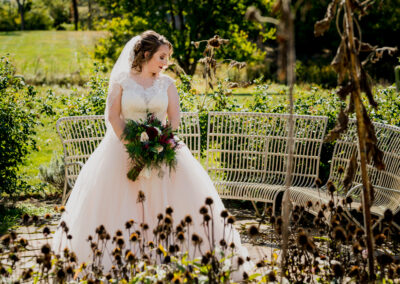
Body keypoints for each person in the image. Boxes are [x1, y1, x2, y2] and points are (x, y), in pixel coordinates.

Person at [52, 30, 252, 280]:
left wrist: (157, 143)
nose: (165, 62)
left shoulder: (167, 83)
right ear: (146, 54)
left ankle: (173, 258)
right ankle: (119, 260)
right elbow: (114, 116)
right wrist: (134, 146)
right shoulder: (122, 81)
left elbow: (175, 120)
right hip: (122, 150)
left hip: (163, 149)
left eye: (167, 57)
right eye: (161, 56)